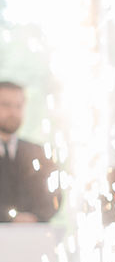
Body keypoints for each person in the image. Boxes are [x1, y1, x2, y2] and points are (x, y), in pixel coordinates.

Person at [0, 80, 60, 223]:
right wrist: (9, 218)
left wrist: (35, 217)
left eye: (18, 106)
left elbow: (53, 197)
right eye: (6, 105)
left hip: (33, 233)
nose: (13, 112)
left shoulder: (39, 154)